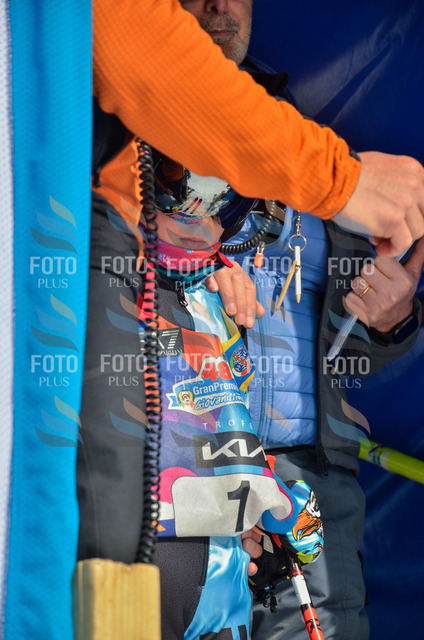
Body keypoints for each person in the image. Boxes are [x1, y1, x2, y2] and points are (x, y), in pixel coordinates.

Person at [176, 2, 424, 639]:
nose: (219, 6)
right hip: (188, 473)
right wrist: (194, 287)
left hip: (312, 483)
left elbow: (350, 354)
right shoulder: (133, 148)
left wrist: (391, 318)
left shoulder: (322, 164)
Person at [92, 0, 424, 259]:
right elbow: (147, 59)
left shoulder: (288, 109)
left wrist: (397, 320)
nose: (220, 4)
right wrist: (339, 179)